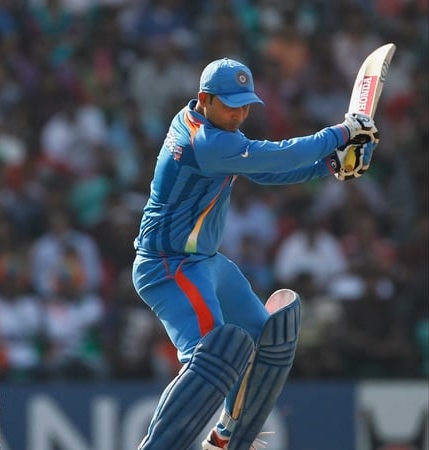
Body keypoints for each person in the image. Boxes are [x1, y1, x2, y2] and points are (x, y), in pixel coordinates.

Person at [131, 58, 379, 450]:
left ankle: (226, 435)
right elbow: (276, 156)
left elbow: (265, 171)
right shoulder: (204, 142)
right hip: (169, 266)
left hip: (205, 262)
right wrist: (342, 132)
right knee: (212, 355)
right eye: (232, 105)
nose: (241, 114)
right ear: (205, 99)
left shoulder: (214, 130)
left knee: (265, 337)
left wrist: (330, 165)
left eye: (246, 105)